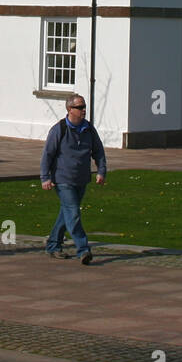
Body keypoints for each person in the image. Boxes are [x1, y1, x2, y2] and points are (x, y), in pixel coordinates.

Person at [40, 94, 107, 264]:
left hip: (82, 178)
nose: (83, 110)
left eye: (84, 106)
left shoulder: (89, 129)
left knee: (67, 213)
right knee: (73, 213)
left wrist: (101, 171)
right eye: (79, 107)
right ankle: (83, 249)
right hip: (63, 179)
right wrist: (45, 177)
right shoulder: (59, 129)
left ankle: (53, 244)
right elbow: (48, 154)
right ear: (70, 109)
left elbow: (98, 151)